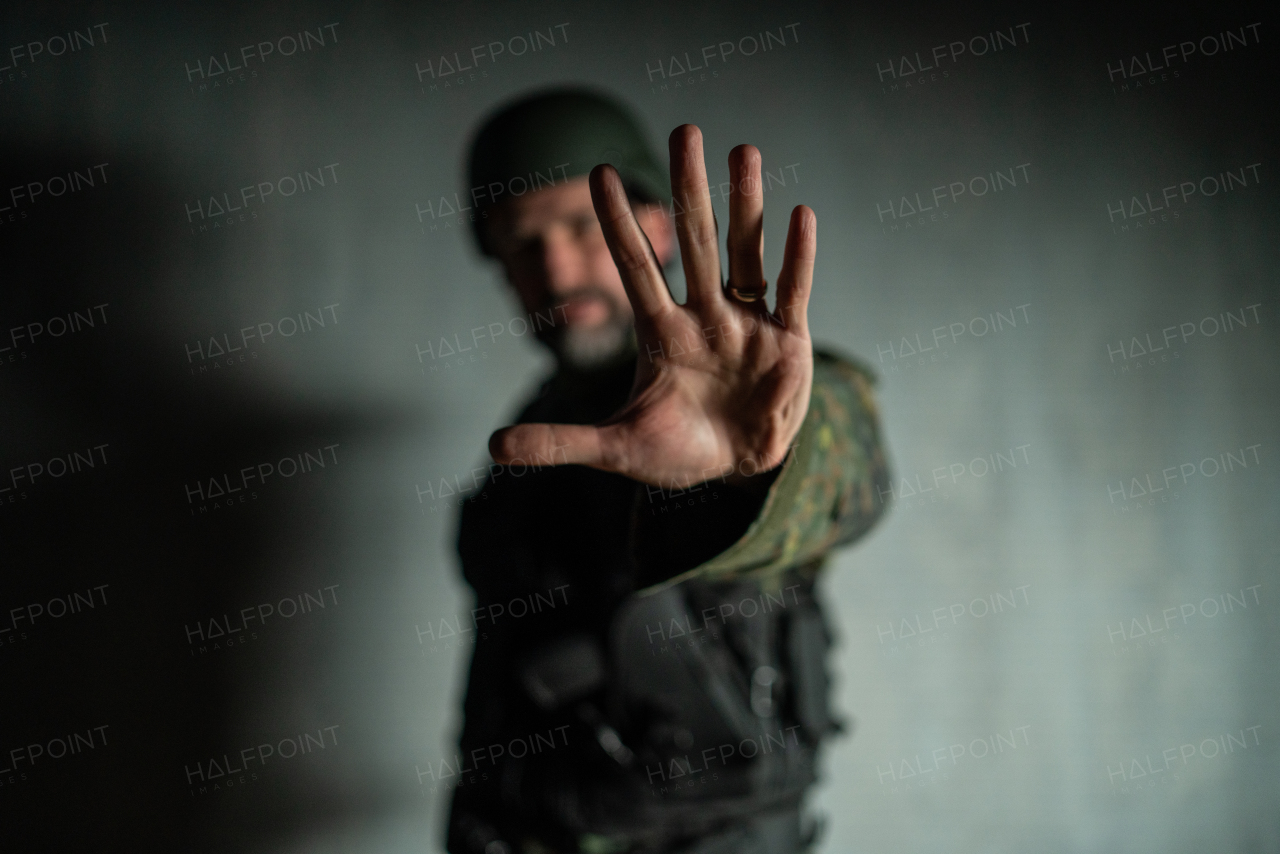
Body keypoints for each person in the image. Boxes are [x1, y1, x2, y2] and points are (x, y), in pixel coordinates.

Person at [446, 89, 890, 854]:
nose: (556, 270)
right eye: (523, 243)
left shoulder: (764, 393)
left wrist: (754, 468)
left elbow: (845, 476)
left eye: (583, 227)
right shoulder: (535, 443)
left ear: (656, 225)